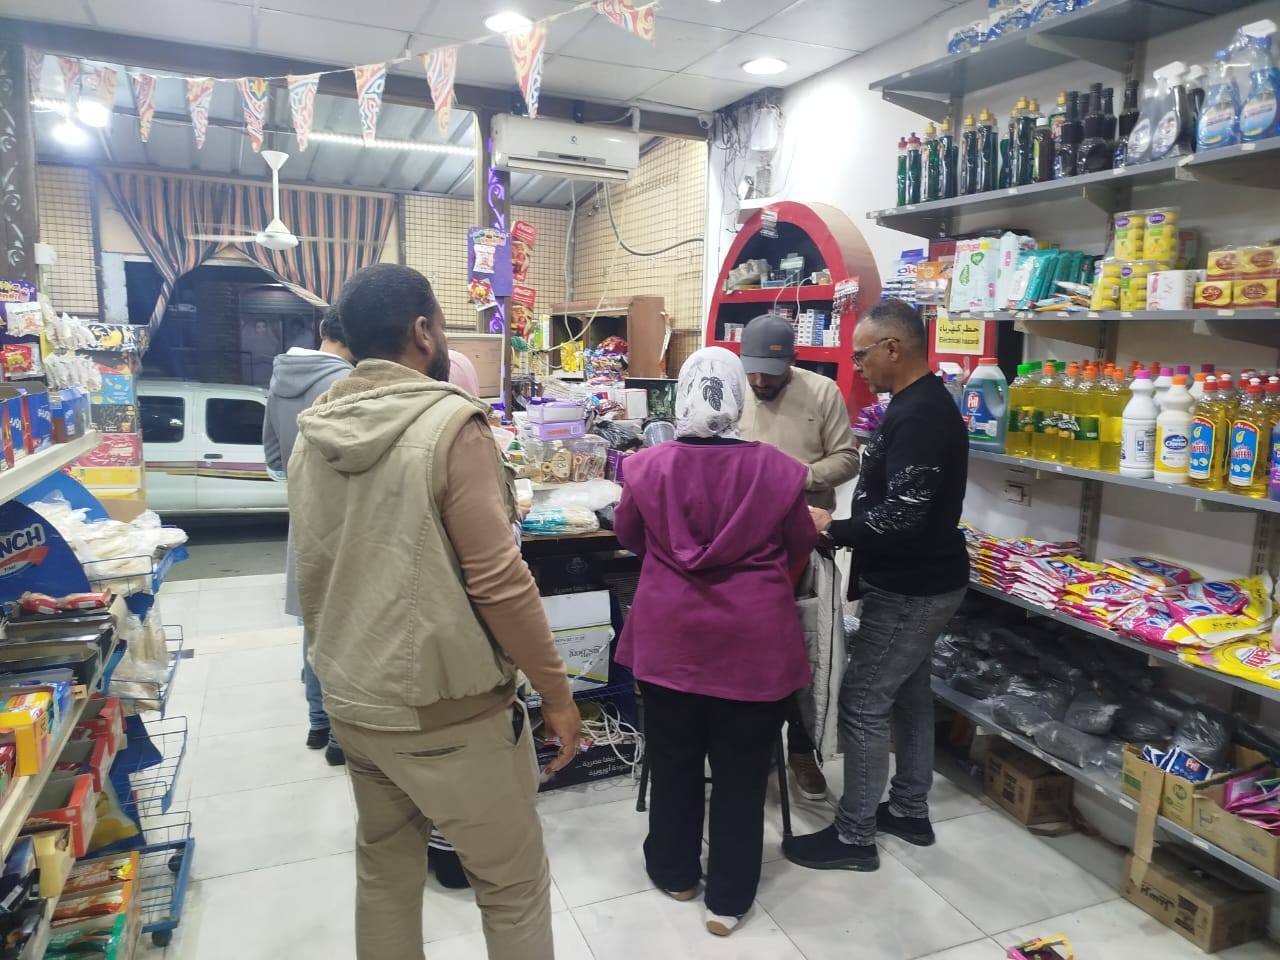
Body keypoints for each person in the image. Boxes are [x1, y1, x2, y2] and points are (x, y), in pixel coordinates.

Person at [288, 263, 582, 960]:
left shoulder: (315, 430)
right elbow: (500, 582)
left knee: (385, 872)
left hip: (355, 700)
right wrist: (557, 693)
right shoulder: (452, 425)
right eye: (444, 325)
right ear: (423, 332)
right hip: (446, 711)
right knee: (511, 886)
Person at [614, 346, 816, 937]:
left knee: (674, 761)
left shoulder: (647, 467)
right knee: (742, 775)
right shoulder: (778, 470)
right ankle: (727, 900)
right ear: (738, 396)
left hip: (669, 640)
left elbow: (629, 535)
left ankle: (675, 873)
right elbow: (800, 543)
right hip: (754, 645)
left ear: (683, 395)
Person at [782, 298, 969, 873]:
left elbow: (903, 515)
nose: (856, 365)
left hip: (913, 587)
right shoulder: (914, 404)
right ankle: (908, 809)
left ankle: (855, 835)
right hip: (923, 578)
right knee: (909, 696)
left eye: (861, 354)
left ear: (894, 348)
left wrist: (829, 528)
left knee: (863, 700)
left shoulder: (921, 415)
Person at [738, 313, 859, 801]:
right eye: (752, 371)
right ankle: (758, 745)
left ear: (792, 359)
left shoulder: (822, 392)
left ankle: (803, 750)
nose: (760, 382)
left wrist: (798, 476)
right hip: (745, 547)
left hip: (803, 544)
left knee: (803, 653)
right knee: (753, 652)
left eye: (770, 372)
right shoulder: (734, 389)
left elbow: (847, 457)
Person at [263, 307, 354, 766]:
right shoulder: (348, 383)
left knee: (315, 624)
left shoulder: (280, 376)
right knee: (346, 628)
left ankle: (318, 724)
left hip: (303, 519)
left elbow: (273, 459)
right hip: (345, 520)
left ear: (322, 330)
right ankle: (340, 737)